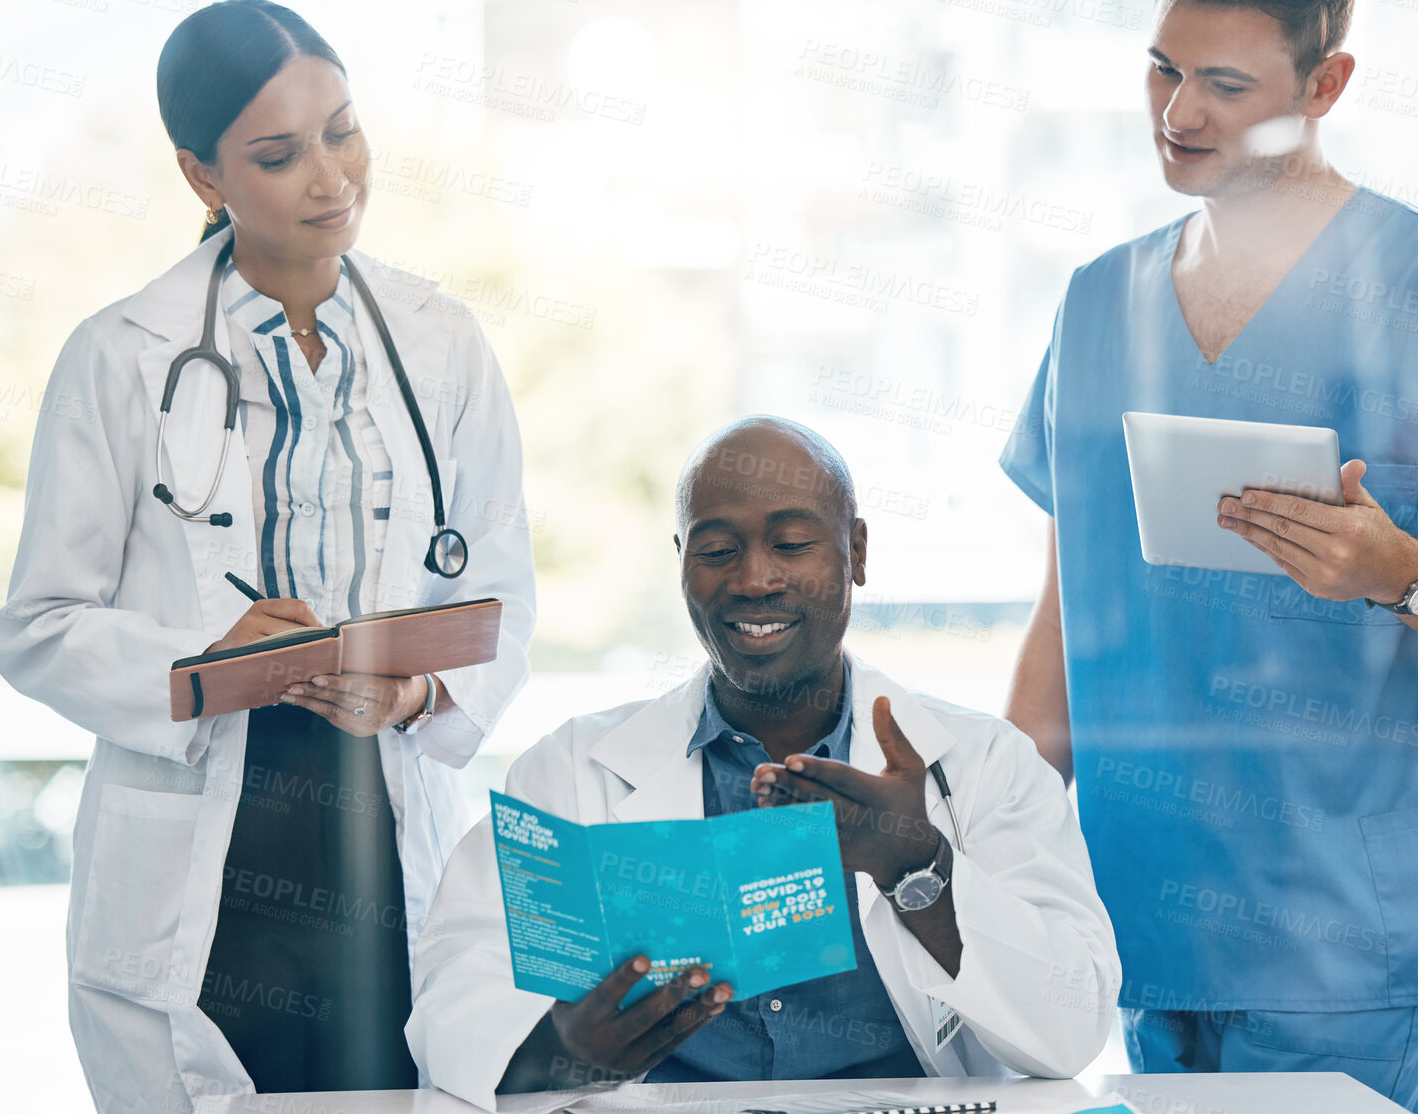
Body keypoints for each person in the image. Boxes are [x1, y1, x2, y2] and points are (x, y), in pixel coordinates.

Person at [998, 0, 1418, 1112]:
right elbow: (1064, 628)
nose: (1180, 112)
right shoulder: (1095, 305)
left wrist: (1404, 575)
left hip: (1357, 929)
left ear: (1324, 85)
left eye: (1226, 85)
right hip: (1146, 910)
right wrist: (976, 833)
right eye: (1163, 69)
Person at [0, 0, 537, 1112]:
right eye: (279, 156)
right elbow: (37, 622)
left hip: (385, 833)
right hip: (205, 849)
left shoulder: (442, 345)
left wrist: (424, 685)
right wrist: (203, 653)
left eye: (343, 130)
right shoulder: (119, 356)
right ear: (203, 177)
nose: (332, 176)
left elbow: (501, 593)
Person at [404, 417, 1119, 1109]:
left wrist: (918, 866)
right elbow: (453, 1005)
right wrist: (558, 1048)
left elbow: (1070, 1029)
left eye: (791, 542)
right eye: (716, 549)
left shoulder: (983, 766)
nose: (754, 578)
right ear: (679, 561)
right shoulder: (568, 771)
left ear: (856, 552)